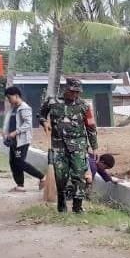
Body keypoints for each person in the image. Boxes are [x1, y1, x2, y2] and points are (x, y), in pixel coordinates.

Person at [38, 78, 98, 213]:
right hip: (59, 145)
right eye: (72, 91)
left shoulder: (84, 106)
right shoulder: (52, 102)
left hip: (78, 146)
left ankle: (78, 206)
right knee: (61, 176)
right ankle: (61, 202)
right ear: (66, 89)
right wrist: (44, 122)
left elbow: (91, 126)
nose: (75, 94)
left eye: (77, 92)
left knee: (79, 175)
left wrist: (94, 147)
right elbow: (41, 115)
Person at [2, 86, 44, 192]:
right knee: (13, 162)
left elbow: (28, 124)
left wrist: (15, 132)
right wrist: (5, 133)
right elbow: (9, 123)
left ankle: (42, 177)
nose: (9, 100)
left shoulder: (24, 108)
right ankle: (20, 185)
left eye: (9, 97)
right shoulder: (13, 108)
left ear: (16, 96)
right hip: (13, 141)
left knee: (19, 162)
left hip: (22, 141)